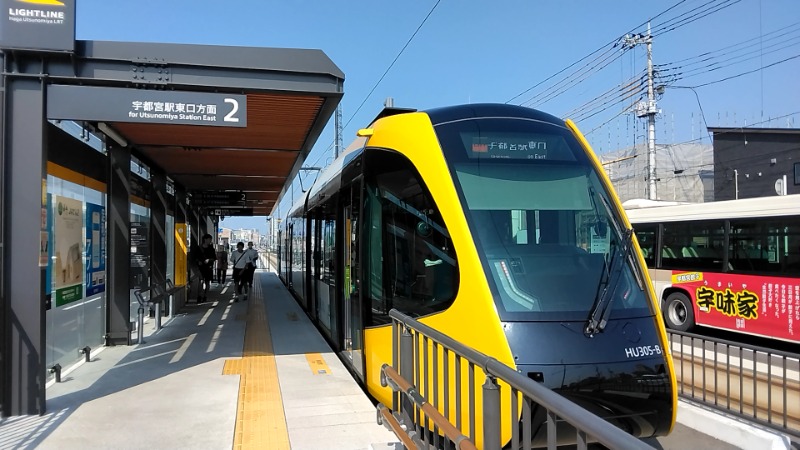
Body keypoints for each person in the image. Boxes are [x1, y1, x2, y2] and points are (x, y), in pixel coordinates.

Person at [196, 234, 216, 303]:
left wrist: (209, 260)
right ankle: (199, 296)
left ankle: (205, 296)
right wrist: (199, 261)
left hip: (208, 267)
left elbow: (214, 258)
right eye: (209, 239)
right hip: (201, 268)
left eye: (210, 239)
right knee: (201, 281)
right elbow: (195, 257)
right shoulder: (198, 248)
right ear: (205, 239)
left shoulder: (211, 249)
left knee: (207, 282)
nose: (210, 241)